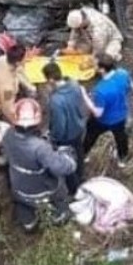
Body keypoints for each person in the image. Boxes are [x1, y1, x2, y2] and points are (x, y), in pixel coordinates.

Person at [2, 99, 77, 232]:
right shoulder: (40, 148)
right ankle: (59, 217)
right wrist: (68, 157)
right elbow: (61, 168)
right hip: (41, 190)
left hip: (19, 188)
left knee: (23, 205)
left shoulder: (8, 135)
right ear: (36, 123)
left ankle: (29, 225)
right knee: (60, 194)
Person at [43, 61, 97, 195]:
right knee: (78, 152)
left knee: (67, 162)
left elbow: (60, 125)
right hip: (79, 127)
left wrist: (54, 137)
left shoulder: (56, 101)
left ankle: (74, 189)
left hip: (66, 137)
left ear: (50, 79)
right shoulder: (74, 84)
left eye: (47, 81)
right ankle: (81, 174)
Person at [81, 55, 133, 168]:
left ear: (102, 69)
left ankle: (84, 155)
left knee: (90, 136)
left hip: (103, 120)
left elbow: (98, 113)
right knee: (121, 138)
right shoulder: (123, 73)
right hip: (121, 116)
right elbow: (130, 87)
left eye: (95, 65)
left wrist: (84, 95)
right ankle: (122, 159)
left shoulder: (101, 90)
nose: (93, 66)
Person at [0, 44, 35, 121]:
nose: (26, 59)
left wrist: (29, 86)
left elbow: (19, 71)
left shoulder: (2, 59)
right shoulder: (7, 88)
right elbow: (7, 109)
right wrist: (17, 121)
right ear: (18, 63)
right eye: (25, 58)